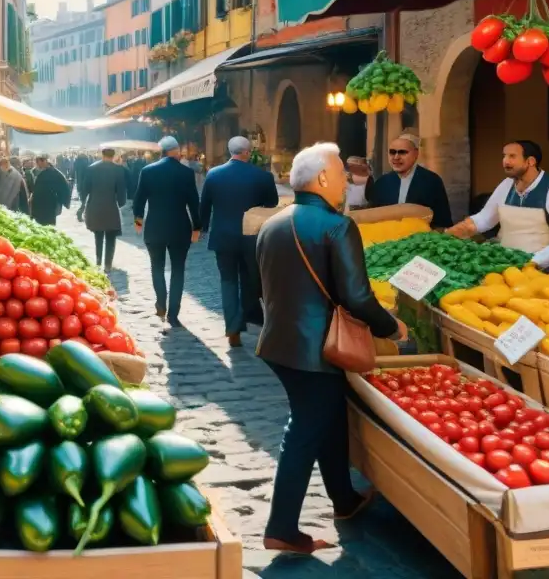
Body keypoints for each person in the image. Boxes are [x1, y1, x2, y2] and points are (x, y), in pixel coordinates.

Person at [256, 142, 407, 555]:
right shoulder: (337, 225)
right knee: (304, 431)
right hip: (318, 350)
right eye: (342, 174)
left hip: (279, 344)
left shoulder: (274, 222)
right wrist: (391, 327)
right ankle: (282, 528)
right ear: (323, 178)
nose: (347, 181)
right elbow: (357, 297)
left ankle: (344, 499)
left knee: (329, 418)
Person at [200, 136, 279, 347]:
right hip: (251, 236)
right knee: (250, 278)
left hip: (223, 236)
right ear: (247, 151)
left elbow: (205, 205)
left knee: (227, 281)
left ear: (230, 151)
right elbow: (272, 203)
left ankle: (232, 327)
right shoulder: (262, 176)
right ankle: (250, 316)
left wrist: (202, 228)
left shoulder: (214, 175)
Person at [448, 140, 549, 268]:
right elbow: (485, 219)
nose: (505, 161)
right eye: (504, 156)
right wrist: (455, 231)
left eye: (512, 156)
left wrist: (534, 262)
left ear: (530, 161)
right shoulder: (506, 185)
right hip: (503, 260)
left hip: (539, 266)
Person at [132, 136, 201, 327]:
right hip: (180, 227)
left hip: (155, 227)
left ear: (160, 151)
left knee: (157, 267)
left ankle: (160, 302)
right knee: (178, 270)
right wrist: (197, 227)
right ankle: (173, 314)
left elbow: (139, 200)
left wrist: (139, 220)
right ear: (176, 151)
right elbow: (194, 203)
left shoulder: (147, 171)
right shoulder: (186, 173)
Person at [365, 131, 453, 228]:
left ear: (416, 154)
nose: (396, 157)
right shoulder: (381, 183)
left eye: (402, 152)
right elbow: (370, 218)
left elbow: (443, 222)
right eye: (392, 152)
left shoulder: (432, 181)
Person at [80, 147, 128, 272]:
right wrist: (121, 203)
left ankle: (98, 260)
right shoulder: (118, 169)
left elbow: (85, 188)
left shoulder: (92, 168)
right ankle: (108, 264)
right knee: (111, 236)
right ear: (113, 155)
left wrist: (84, 202)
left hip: (95, 205)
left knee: (98, 235)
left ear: (102, 155)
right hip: (111, 205)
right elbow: (121, 190)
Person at [29, 153, 71, 226]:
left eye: (38, 162)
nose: (37, 165)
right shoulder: (36, 172)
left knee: (48, 225)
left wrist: (61, 201)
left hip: (49, 204)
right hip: (38, 205)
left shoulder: (54, 173)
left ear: (44, 161)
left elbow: (64, 187)